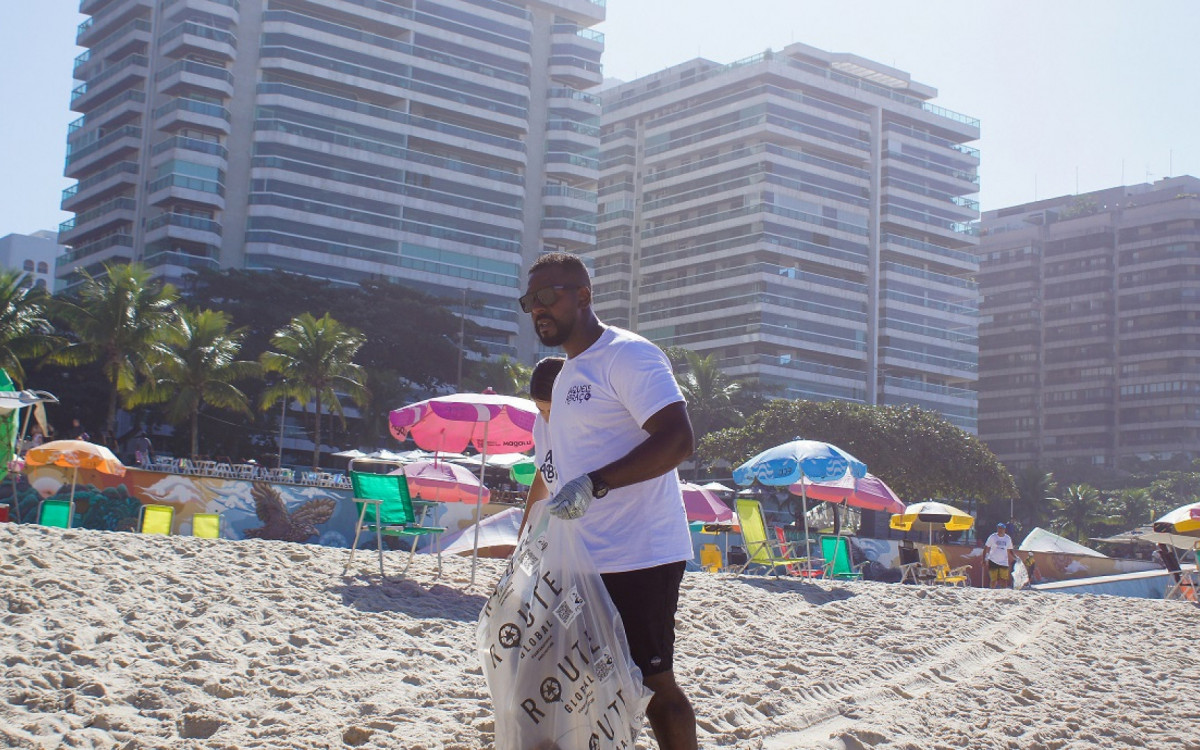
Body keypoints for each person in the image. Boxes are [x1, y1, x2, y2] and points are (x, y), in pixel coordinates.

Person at [522, 252, 698, 750]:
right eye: (529, 301)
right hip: (579, 558)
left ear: (583, 295)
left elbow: (677, 439)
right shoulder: (570, 372)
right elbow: (553, 471)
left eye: (547, 296)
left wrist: (595, 483)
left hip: (639, 554)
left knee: (652, 684)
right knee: (563, 678)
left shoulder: (628, 355)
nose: (538, 309)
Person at [518, 355, 565, 539]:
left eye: (552, 411)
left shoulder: (586, 425)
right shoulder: (541, 424)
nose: (546, 418)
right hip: (557, 529)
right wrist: (524, 534)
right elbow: (541, 477)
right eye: (540, 410)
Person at [983, 522, 1015, 589]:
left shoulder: (1008, 538)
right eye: (999, 528)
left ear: (1004, 529)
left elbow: (1010, 550)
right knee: (993, 580)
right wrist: (984, 559)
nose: (1000, 530)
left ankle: (1003, 593)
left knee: (1003, 580)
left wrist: (1015, 557)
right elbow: (986, 548)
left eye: (1002, 528)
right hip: (993, 560)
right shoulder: (992, 537)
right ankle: (992, 591)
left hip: (1004, 562)